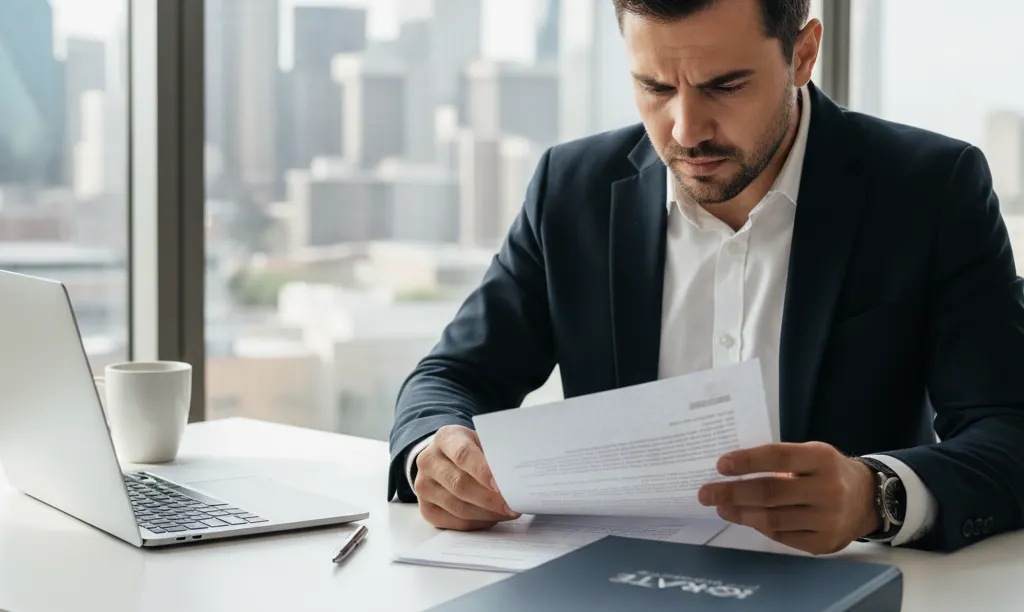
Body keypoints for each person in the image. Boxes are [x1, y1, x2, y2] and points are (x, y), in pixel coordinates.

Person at [387, 0, 1024, 554]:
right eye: (655, 88)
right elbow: (450, 378)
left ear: (802, 55)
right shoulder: (570, 190)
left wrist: (874, 495)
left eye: (724, 86)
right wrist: (436, 457)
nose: (686, 131)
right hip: (609, 586)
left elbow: (1009, 432)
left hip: (846, 585)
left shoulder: (931, 191)